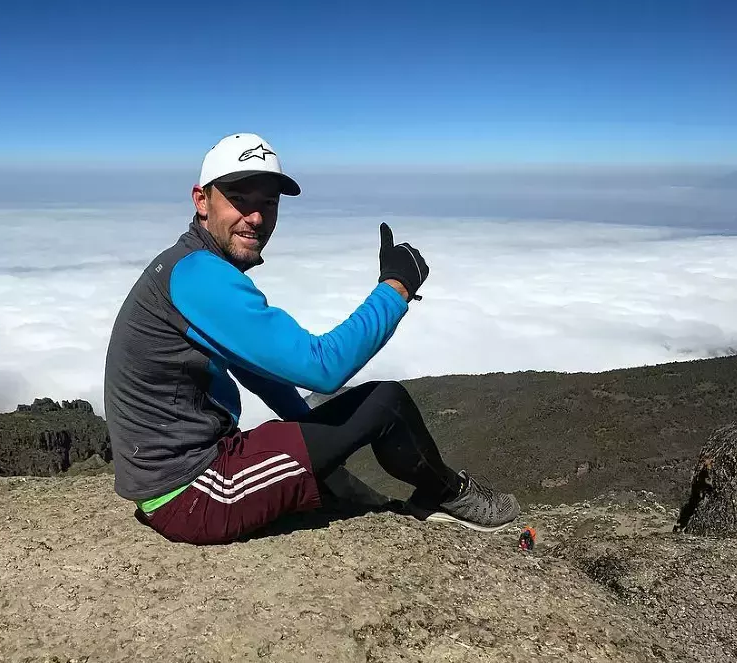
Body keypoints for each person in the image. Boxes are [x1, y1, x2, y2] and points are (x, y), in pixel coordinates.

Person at [103, 132, 521, 545]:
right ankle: (445, 494)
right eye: (240, 198)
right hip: (193, 494)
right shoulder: (200, 277)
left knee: (345, 479)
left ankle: (401, 508)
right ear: (201, 200)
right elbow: (323, 368)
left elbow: (256, 368)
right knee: (384, 403)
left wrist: (312, 427)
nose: (256, 216)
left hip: (183, 474)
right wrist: (396, 288)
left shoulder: (188, 266)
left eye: (268, 202)